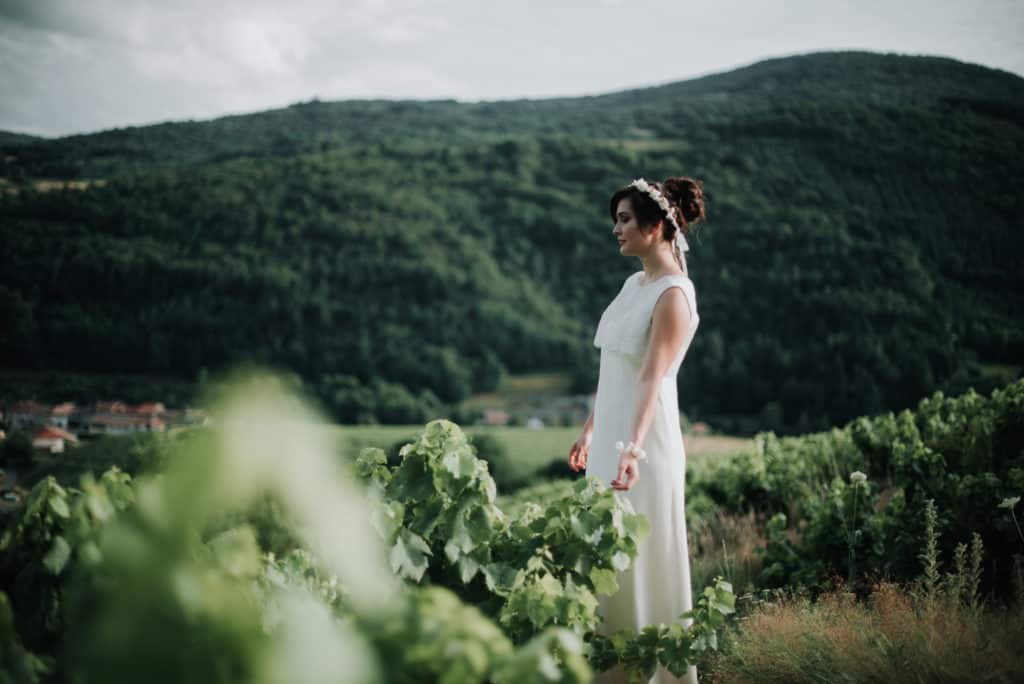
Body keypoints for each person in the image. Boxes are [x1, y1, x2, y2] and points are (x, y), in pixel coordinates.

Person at [568, 176, 705, 684]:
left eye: (625, 219)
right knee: (605, 554)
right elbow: (617, 371)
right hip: (610, 442)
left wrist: (630, 448)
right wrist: (590, 430)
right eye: (617, 219)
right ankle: (609, 671)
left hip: (643, 448)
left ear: (656, 226)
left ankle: (653, 674)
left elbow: (652, 377)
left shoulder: (674, 295)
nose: (616, 229)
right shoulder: (635, 285)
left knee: (641, 557)